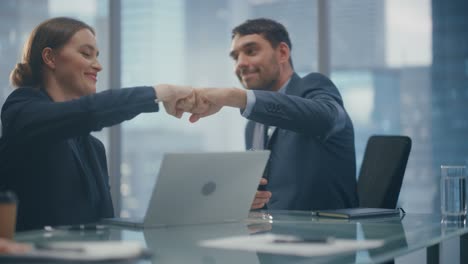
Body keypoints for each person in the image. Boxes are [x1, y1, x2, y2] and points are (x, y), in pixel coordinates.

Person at [0, 17, 193, 231]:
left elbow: (103, 226)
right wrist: (158, 93)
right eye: (86, 53)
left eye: (97, 56)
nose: (98, 66)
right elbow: (87, 111)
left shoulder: (93, 148)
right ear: (50, 58)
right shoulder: (20, 109)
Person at [182, 18, 358, 211]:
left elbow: (327, 117)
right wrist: (246, 199)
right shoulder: (253, 124)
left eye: (251, 51)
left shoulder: (313, 86)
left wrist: (235, 96)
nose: (240, 63)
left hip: (325, 235)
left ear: (282, 53)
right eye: (235, 57)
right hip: (268, 236)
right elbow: (267, 192)